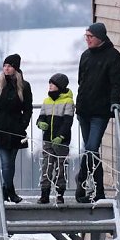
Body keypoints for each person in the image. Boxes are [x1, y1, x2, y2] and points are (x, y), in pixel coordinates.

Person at [75, 22, 120, 203]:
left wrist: (114, 103)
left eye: (90, 37)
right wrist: (79, 105)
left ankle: (81, 181)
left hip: (100, 112)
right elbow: (81, 81)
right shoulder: (85, 56)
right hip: (84, 111)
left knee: (91, 149)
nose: (87, 40)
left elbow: (117, 82)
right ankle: (99, 191)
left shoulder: (113, 56)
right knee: (93, 153)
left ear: (100, 38)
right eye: (85, 36)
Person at [0, 53, 33, 203]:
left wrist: (23, 124)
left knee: (11, 163)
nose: (6, 68)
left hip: (16, 130)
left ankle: (5, 191)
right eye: (5, 66)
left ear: (16, 68)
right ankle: (11, 191)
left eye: (9, 66)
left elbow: (28, 108)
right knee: (5, 162)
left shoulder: (24, 85)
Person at [36, 73, 75, 205]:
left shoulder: (68, 101)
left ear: (60, 86)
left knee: (60, 167)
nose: (50, 86)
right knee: (46, 166)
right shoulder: (46, 101)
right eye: (50, 83)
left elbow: (68, 121)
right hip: (47, 140)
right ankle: (44, 194)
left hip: (61, 142)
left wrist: (61, 136)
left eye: (53, 84)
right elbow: (40, 117)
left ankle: (59, 194)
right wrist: (40, 123)